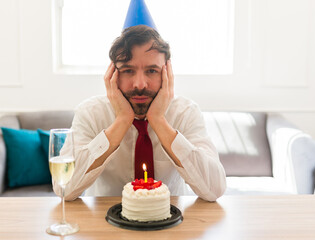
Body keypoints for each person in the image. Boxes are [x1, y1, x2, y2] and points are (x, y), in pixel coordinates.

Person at [54, 2, 226, 202]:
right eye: (128, 70)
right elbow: (63, 189)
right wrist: (121, 121)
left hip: (171, 226)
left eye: (152, 71)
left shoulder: (186, 112)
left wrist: (159, 120)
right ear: (112, 75)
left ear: (167, 74)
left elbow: (215, 189)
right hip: (106, 226)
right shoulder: (90, 113)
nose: (140, 84)